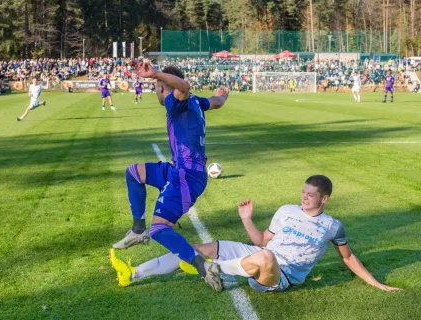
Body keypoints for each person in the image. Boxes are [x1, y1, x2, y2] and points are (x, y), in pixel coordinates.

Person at [110, 175, 401, 293]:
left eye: (311, 195)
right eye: (303, 192)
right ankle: (133, 274)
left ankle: (213, 269)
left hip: (279, 276)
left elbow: (349, 258)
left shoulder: (333, 226)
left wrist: (377, 284)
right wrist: (247, 220)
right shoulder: (286, 210)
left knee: (264, 258)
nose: (305, 198)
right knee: (197, 248)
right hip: (261, 255)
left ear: (324, 199)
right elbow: (261, 240)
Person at [111, 62, 229, 291]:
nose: (155, 90)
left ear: (164, 86)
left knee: (159, 230)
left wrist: (155, 73)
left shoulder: (174, 101)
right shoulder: (195, 101)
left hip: (187, 175)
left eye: (156, 85)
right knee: (134, 172)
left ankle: (203, 268)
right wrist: (222, 96)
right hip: (179, 169)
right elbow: (216, 102)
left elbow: (184, 85)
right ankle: (137, 230)